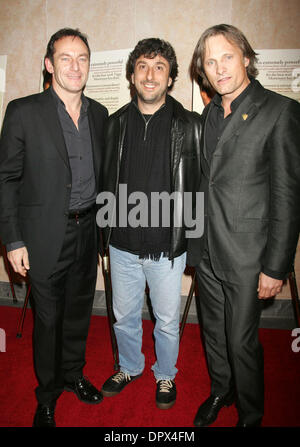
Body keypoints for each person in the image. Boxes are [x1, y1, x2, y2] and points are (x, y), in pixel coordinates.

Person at [188, 24, 300, 427]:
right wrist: (193, 241)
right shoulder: (209, 114)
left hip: (250, 256)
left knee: (241, 341)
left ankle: (251, 415)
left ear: (246, 57)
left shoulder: (280, 111)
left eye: (227, 57)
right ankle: (222, 390)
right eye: (210, 62)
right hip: (209, 251)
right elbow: (207, 183)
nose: (219, 69)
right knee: (213, 335)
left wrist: (276, 265)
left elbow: (288, 196)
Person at [0, 28, 108, 427]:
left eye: (82, 58)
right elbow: (6, 179)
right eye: (65, 58)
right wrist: (13, 240)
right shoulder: (23, 111)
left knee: (79, 311)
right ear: (49, 65)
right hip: (43, 235)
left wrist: (105, 233)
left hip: (86, 232)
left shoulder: (99, 114)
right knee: (48, 319)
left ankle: (73, 374)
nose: (75, 66)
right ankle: (46, 396)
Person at [99, 38, 201, 410]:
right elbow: (103, 182)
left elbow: (198, 187)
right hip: (121, 244)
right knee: (123, 316)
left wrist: (195, 243)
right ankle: (129, 366)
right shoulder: (114, 125)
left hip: (167, 246)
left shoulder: (191, 125)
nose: (150, 74)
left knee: (166, 320)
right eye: (143, 65)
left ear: (171, 77)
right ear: (131, 74)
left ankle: (165, 374)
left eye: (160, 67)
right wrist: (103, 234)